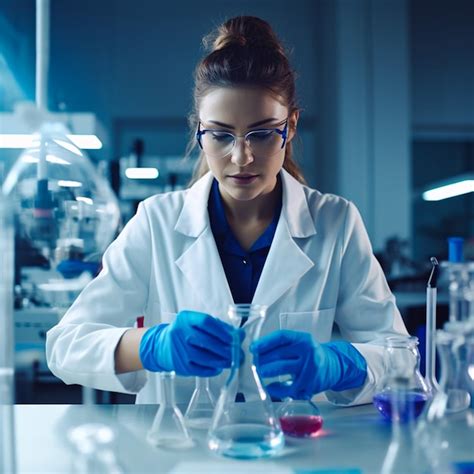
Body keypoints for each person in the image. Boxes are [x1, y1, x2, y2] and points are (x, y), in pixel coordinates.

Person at [46, 16, 408, 405]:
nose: (241, 156)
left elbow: (401, 358)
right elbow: (66, 346)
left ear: (292, 126)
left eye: (264, 133)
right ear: (198, 131)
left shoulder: (335, 223)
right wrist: (152, 345)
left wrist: (340, 364)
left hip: (291, 448)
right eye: (220, 135)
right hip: (174, 454)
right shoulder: (157, 222)